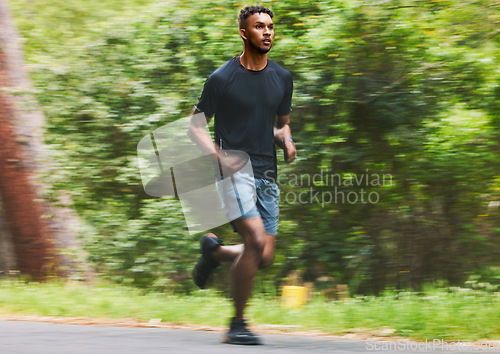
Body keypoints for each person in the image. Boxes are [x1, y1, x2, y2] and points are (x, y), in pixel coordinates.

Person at [188, 5, 296, 345]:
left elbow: (281, 124)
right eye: (259, 26)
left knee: (264, 256)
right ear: (243, 33)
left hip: (267, 173)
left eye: (270, 26)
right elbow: (194, 125)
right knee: (255, 240)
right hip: (233, 171)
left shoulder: (282, 78)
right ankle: (237, 324)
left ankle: (216, 253)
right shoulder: (222, 78)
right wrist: (218, 156)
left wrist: (287, 139)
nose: (267, 32)